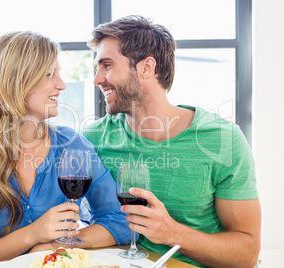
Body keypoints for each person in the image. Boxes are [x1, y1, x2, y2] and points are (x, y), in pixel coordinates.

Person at [0, 31, 131, 268]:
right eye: (49, 75)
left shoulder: (72, 145)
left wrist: (56, 246)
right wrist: (33, 235)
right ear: (14, 81)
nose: (61, 85)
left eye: (59, 74)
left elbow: (120, 221)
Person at [82, 15, 261, 268]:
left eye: (107, 65)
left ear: (146, 67)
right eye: (97, 68)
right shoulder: (94, 138)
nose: (97, 79)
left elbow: (247, 254)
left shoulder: (222, 140)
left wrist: (173, 233)